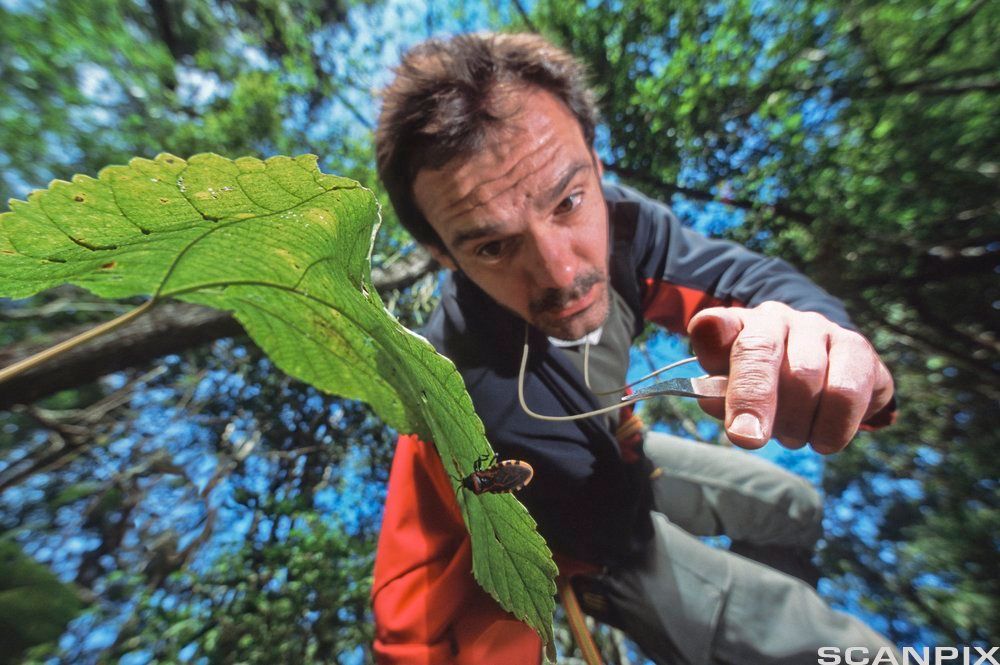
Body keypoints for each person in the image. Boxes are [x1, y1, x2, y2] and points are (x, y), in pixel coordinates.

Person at [370, 32, 897, 665]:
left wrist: (818, 338)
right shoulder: (457, 387)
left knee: (795, 505)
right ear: (443, 255)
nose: (561, 274)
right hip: (602, 542)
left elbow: (745, 282)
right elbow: (420, 600)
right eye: (492, 246)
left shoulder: (628, 232)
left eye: (568, 201)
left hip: (627, 456)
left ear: (597, 166)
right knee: (857, 653)